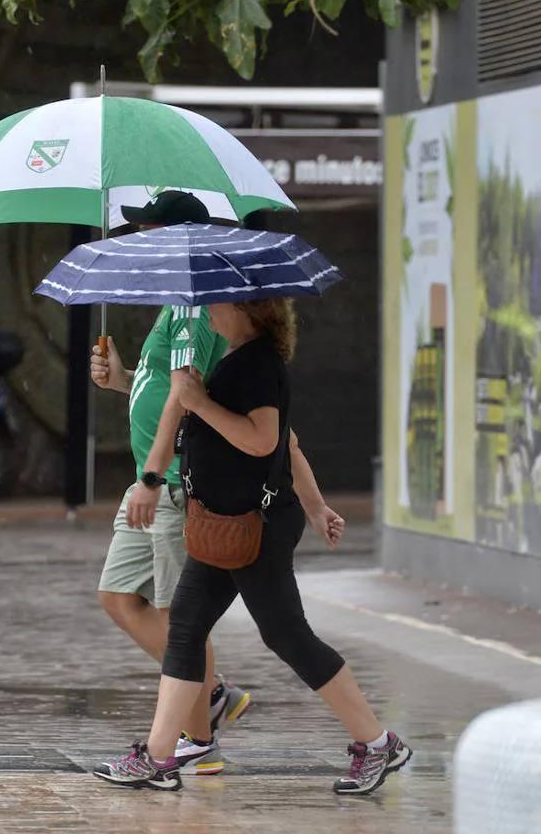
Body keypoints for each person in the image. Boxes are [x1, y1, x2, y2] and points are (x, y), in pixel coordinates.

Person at [99, 297, 411, 796]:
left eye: (220, 306)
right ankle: (159, 757)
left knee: (286, 635)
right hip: (223, 522)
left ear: (248, 312)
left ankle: (378, 742)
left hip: (254, 526)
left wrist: (198, 403)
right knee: (185, 627)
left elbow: (266, 440)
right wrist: (160, 451)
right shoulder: (235, 359)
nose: (211, 314)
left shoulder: (257, 365)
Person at [91, 192, 346, 780]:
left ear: (172, 237)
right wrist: (122, 379)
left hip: (181, 486)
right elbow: (172, 391)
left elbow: (224, 410)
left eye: (146, 232)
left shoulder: (206, 313)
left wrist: (310, 501)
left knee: (184, 617)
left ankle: (196, 738)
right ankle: (209, 696)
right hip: (148, 481)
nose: (138, 244)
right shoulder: (171, 307)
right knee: (121, 599)